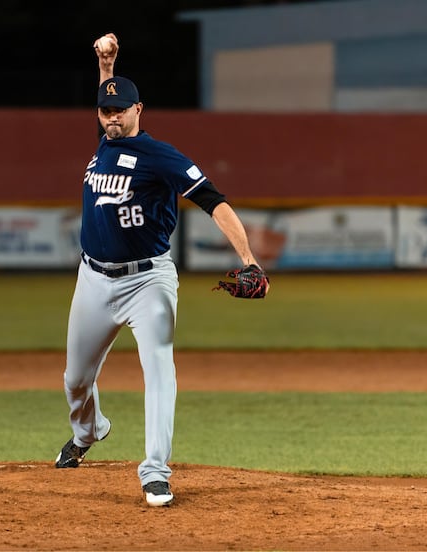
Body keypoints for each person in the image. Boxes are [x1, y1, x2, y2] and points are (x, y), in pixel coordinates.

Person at [55, 33, 268, 507]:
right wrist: (107, 66)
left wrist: (248, 260)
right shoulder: (104, 142)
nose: (111, 118)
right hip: (92, 279)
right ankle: (89, 432)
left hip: (147, 281)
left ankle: (155, 470)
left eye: (120, 110)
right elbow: (107, 98)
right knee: (74, 379)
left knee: (159, 371)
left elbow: (214, 201)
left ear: (138, 111)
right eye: (104, 111)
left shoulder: (160, 156)